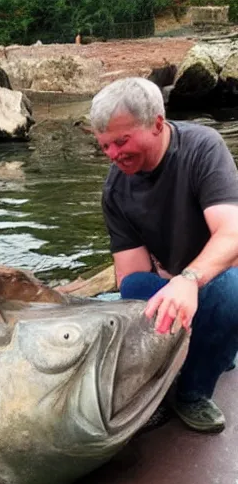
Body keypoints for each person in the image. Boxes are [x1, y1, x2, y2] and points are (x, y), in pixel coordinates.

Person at [89, 77, 238, 434]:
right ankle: (169, 373)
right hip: (169, 281)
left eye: (122, 141)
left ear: (157, 124)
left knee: (231, 292)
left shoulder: (203, 147)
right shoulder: (115, 188)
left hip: (216, 276)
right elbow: (132, 276)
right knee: (136, 290)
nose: (113, 155)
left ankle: (193, 393)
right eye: (105, 146)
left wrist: (189, 280)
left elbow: (232, 233)